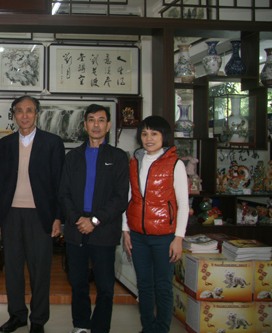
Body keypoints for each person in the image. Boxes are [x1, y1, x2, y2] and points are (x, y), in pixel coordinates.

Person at [0, 96, 65, 333]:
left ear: (37, 113)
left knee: (40, 270)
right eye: (19, 111)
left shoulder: (52, 143)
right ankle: (17, 315)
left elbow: (60, 183)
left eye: (29, 110)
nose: (24, 115)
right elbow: (0, 182)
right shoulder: (6, 144)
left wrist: (58, 217)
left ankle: (38, 320)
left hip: (40, 215)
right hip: (11, 214)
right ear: (14, 114)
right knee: (13, 269)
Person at [58, 104, 129, 333]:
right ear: (85, 125)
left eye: (101, 120)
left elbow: (120, 198)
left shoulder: (118, 157)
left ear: (108, 126)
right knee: (78, 283)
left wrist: (95, 220)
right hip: (76, 227)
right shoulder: (73, 157)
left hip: (104, 229)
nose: (96, 124)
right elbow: (63, 193)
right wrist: (77, 219)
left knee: (105, 286)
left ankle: (100, 328)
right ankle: (81, 325)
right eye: (91, 119)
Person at [122, 116, 189, 333]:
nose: (148, 138)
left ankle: (161, 329)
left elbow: (183, 204)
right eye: (144, 133)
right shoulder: (135, 162)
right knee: (144, 286)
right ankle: (148, 328)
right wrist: (126, 230)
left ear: (163, 137)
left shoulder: (175, 164)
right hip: (138, 236)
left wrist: (178, 238)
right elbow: (129, 198)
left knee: (163, 287)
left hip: (165, 237)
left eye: (154, 133)